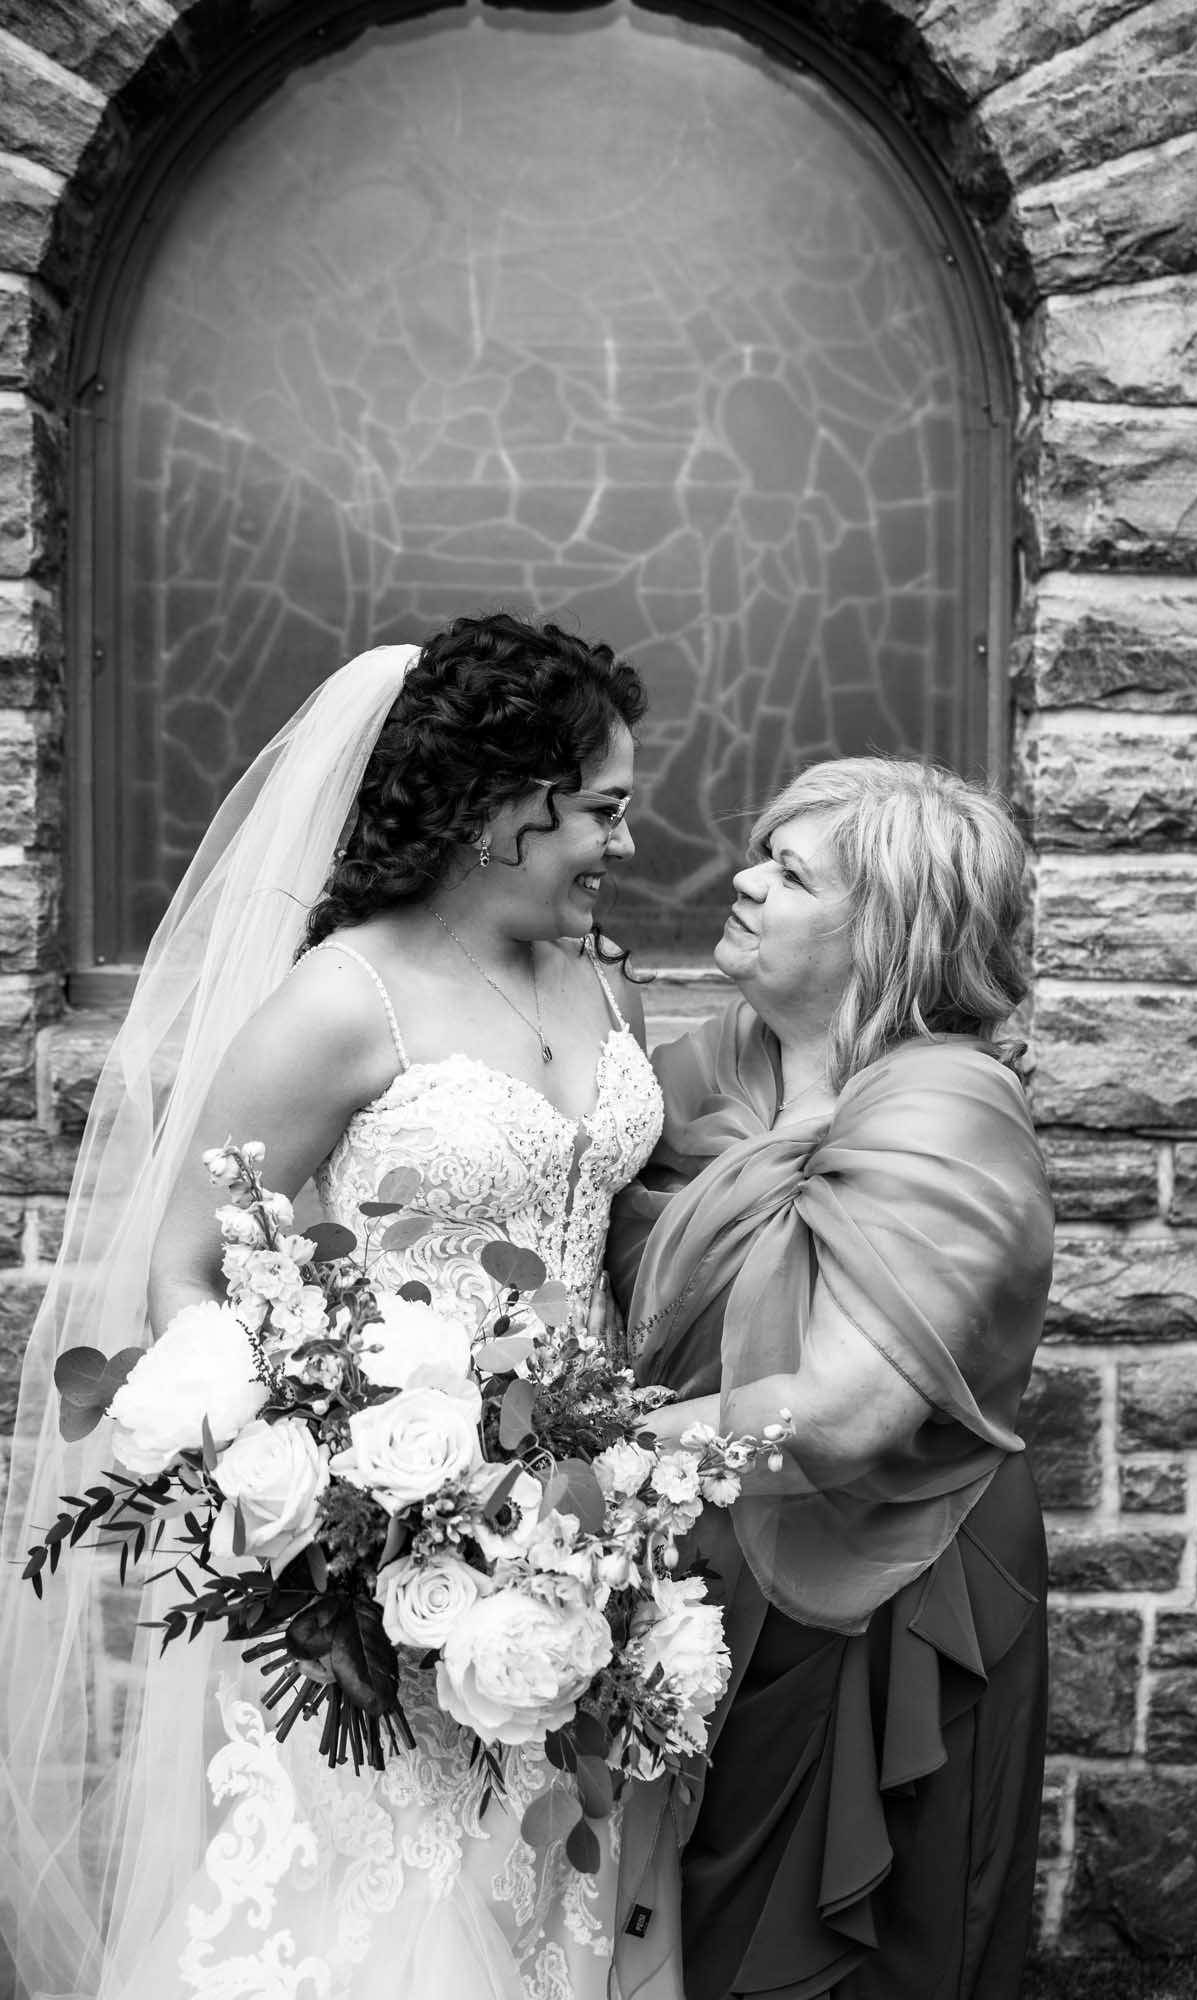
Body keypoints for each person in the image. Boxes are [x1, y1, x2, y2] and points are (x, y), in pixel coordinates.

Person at [0, 612, 666, 2000]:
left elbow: (607, 1243)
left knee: (543, 1887)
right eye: (601, 808)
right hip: (378, 1554)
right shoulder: (338, 1001)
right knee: (369, 1909)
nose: (625, 841)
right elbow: (186, 1266)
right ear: (505, 806)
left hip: (584, 1533)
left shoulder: (603, 979)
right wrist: (318, 1476)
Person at [608, 755, 1055, 2000]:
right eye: (762, 852)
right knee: (694, 1918)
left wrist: (590, 1460)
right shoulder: (733, 1054)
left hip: (889, 1577)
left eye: (790, 871)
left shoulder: (945, 1102)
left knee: (866, 1945)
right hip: (714, 1551)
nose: (741, 879)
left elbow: (848, 1419)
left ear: (889, 930)